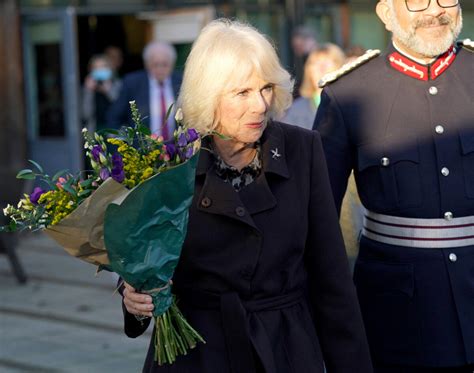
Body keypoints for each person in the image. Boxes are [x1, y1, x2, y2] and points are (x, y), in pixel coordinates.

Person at [120, 19, 373, 373]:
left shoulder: (303, 150)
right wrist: (133, 296)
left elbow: (331, 279)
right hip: (198, 354)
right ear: (208, 96)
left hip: (286, 350)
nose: (259, 105)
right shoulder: (170, 162)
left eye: (266, 87)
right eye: (242, 92)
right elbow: (143, 258)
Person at [313, 0, 474, 372]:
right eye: (417, 1)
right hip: (397, 316)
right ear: (386, 13)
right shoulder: (349, 93)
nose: (435, 10)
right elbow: (316, 218)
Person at [107, 41, 181, 139]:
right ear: (147, 64)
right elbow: (114, 117)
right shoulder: (132, 83)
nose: (160, 69)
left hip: (176, 150)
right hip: (142, 150)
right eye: (155, 64)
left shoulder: (181, 81)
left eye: (164, 64)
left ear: (172, 64)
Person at [283, 43, 345, 130]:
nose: (321, 69)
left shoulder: (349, 105)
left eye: (327, 63)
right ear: (309, 71)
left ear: (340, 68)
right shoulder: (297, 109)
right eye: (316, 63)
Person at [81, 54, 122, 132]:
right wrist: (88, 91)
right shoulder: (87, 88)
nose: (99, 70)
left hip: (114, 132)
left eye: (103, 67)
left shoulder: (118, 84)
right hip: (94, 132)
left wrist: (109, 91)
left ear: (110, 68)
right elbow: (85, 114)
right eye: (96, 67)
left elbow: (121, 110)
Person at [290, 25, 319, 99]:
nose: (296, 51)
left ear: (310, 41)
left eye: (299, 46)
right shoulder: (302, 60)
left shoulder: (315, 59)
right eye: (295, 47)